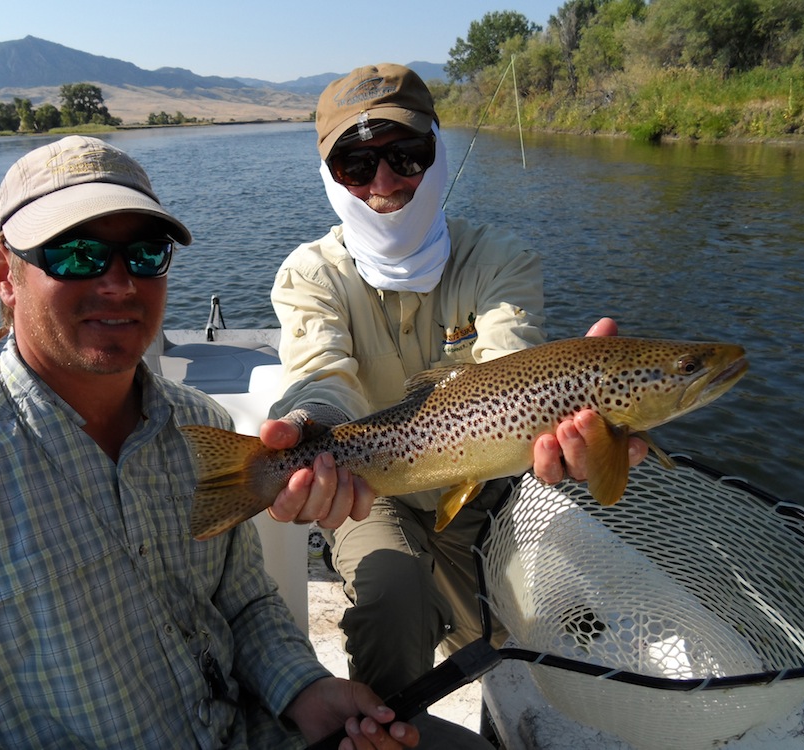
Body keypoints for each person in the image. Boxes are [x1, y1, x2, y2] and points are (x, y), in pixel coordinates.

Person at [0, 135, 420, 750]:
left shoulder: (200, 428)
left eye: (144, 254)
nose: (117, 282)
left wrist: (304, 692)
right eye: (76, 253)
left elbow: (243, 606)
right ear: (4, 273)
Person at [259, 65, 647, 747]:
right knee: (393, 597)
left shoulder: (501, 257)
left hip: (486, 485)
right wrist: (304, 427)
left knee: (556, 626)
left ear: (436, 152)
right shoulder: (310, 274)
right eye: (356, 163)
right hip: (368, 487)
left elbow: (507, 364)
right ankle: (388, 730)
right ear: (331, 174)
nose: (384, 184)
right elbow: (325, 379)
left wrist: (577, 389)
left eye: (405, 156)